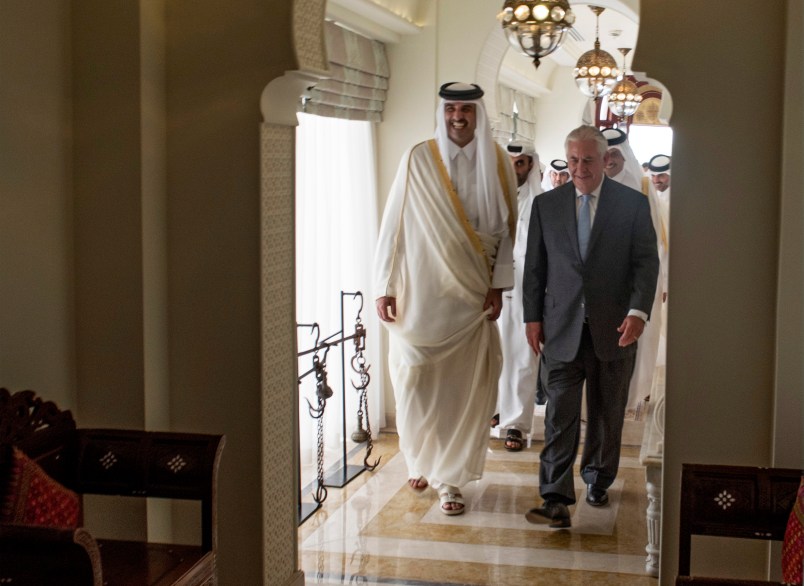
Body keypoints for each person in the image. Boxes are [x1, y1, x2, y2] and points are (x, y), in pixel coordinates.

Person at [373, 82, 517, 516]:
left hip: (472, 297)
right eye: (451, 108)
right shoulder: (418, 157)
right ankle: (419, 458)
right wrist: (384, 285)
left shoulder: (499, 162)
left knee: (461, 391)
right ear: (443, 112)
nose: (458, 116)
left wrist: (498, 284)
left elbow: (507, 232)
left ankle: (450, 480)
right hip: (420, 294)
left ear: (478, 114)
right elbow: (393, 224)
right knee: (416, 382)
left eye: (466, 109)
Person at [521, 125, 659, 528]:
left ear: (604, 161)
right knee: (558, 415)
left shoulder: (631, 204)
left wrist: (638, 313)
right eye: (574, 160)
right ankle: (555, 498)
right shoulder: (547, 206)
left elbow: (646, 264)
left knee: (606, 411)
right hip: (561, 328)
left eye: (588, 160)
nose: (581, 168)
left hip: (614, 328)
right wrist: (532, 318)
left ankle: (598, 478)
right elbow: (535, 267)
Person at [603, 128, 665, 419]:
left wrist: (658, 279)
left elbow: (654, 240)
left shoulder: (641, 186)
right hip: (602, 280)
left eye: (615, 154)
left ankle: (630, 399)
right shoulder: (590, 183)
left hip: (634, 278)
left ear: (623, 155)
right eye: (605, 153)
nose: (610, 160)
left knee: (637, 338)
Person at [495, 139, 543, 452]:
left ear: (530, 165)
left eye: (522, 162)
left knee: (524, 356)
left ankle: (516, 425)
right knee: (493, 353)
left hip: (529, 286)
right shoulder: (491, 196)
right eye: (511, 162)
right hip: (493, 287)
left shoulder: (542, 202)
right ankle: (494, 412)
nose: (516, 168)